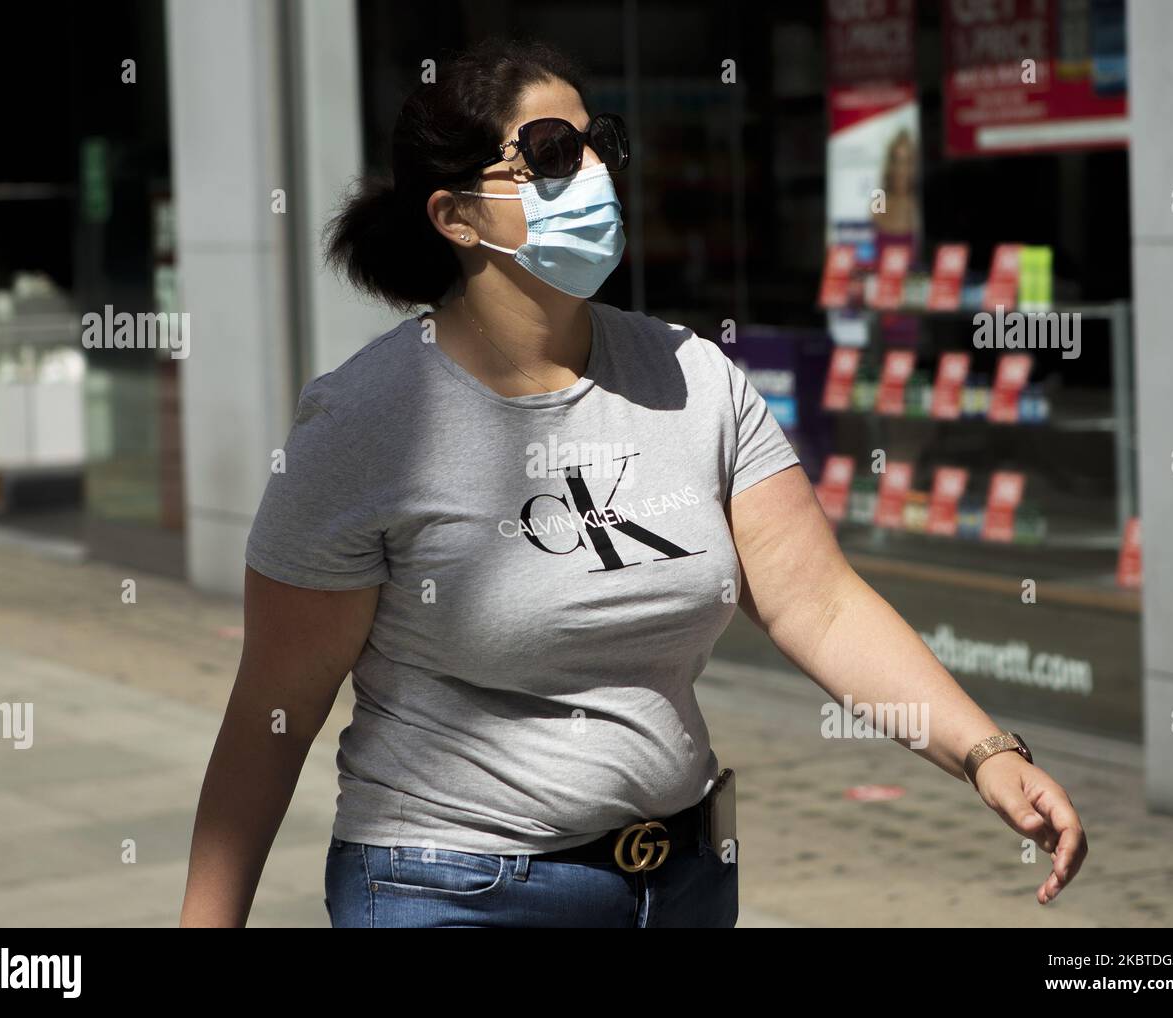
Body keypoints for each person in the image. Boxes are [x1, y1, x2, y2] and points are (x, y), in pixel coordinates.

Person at [179, 36, 1087, 928]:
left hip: (682, 882)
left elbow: (822, 605)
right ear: (456, 217)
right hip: (452, 888)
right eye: (550, 154)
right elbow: (276, 708)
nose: (595, 174)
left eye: (598, 142)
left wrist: (985, 752)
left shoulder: (695, 379)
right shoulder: (366, 421)